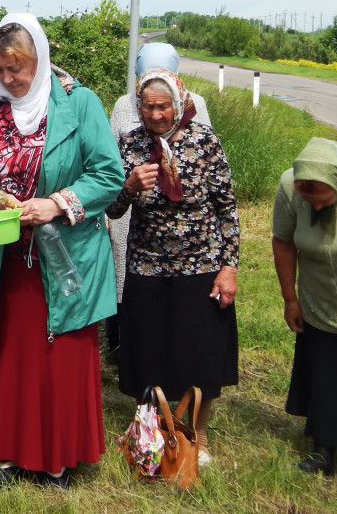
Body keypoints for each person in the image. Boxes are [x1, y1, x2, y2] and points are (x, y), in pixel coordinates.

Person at [0, 13, 124, 490]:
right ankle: (1, 452)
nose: (8, 80)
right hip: (5, 257)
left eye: (17, 69)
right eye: (0, 70)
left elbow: (109, 174)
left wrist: (55, 203)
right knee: (7, 351)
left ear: (39, 60)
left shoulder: (79, 104)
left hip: (66, 260)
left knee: (58, 357)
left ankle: (55, 459)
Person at [106, 68, 239, 467]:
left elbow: (227, 208)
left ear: (178, 103)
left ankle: (194, 435)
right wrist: (129, 186)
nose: (157, 115)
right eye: (148, 107)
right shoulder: (129, 144)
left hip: (201, 264)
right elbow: (110, 208)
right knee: (147, 349)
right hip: (147, 266)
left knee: (200, 351)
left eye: (164, 106)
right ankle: (151, 431)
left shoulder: (204, 141)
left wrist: (228, 266)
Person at [106, 42, 212, 351]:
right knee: (126, 273)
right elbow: (113, 157)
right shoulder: (124, 105)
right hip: (133, 209)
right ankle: (121, 342)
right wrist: (124, 190)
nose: (155, 112)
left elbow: (204, 159)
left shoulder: (195, 104)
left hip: (185, 219)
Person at [273, 137, 337, 500]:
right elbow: (283, 242)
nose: (315, 205)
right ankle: (323, 450)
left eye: (322, 199)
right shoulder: (289, 187)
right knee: (324, 372)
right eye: (308, 199)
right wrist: (290, 299)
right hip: (316, 299)